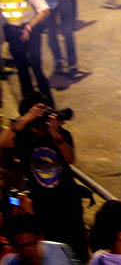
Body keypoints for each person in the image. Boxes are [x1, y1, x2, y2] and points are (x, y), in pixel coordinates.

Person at [0, 95, 87, 261]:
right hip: (43, 206)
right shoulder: (23, 137)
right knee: (52, 251)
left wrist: (57, 137)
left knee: (77, 250)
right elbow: (3, 143)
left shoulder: (61, 134)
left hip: (69, 202)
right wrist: (25, 119)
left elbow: (70, 159)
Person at [0, 0, 52, 104]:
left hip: (31, 33)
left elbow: (45, 10)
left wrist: (29, 26)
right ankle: (28, 106)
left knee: (37, 68)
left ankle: (48, 104)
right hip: (13, 34)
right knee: (22, 70)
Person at [0, 214, 74, 265]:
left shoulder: (61, 253)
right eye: (21, 247)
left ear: (40, 239)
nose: (27, 251)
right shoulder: (8, 261)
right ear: (14, 247)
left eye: (31, 244)